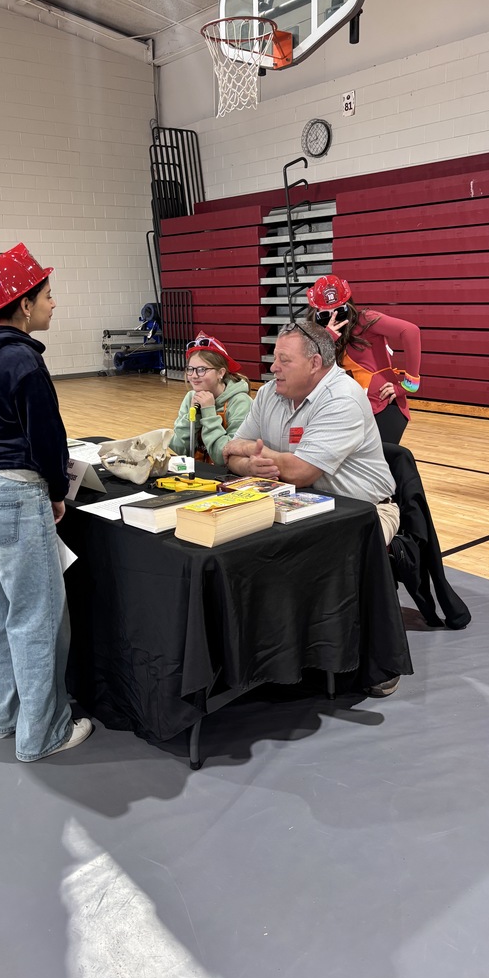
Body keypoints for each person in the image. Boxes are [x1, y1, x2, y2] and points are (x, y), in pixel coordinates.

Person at [0, 243, 92, 761]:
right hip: (12, 494)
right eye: (48, 296)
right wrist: (56, 492)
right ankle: (44, 733)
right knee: (36, 616)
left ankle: (4, 716)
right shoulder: (23, 363)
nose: (54, 305)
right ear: (24, 305)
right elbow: (47, 441)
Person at [223, 321, 402, 697]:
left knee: (321, 559)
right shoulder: (271, 392)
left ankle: (374, 657)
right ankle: (271, 654)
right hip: (297, 502)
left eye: (283, 360)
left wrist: (259, 456)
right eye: (275, 359)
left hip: (364, 512)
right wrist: (251, 464)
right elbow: (230, 452)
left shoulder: (342, 397)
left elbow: (302, 472)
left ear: (315, 363)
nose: (272, 368)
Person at [307, 275, 422, 444]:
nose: (334, 318)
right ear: (315, 314)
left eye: (340, 311)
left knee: (379, 464)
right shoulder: (315, 335)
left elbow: (411, 331)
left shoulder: (365, 319)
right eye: (325, 315)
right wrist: (327, 340)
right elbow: (308, 373)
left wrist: (409, 385)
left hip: (381, 406)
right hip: (347, 410)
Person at [170, 332, 252, 464]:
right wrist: (192, 417)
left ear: (221, 372)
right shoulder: (191, 397)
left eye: (202, 369)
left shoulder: (241, 402)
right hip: (199, 472)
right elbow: (179, 448)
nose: (194, 375)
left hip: (227, 476)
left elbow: (225, 457)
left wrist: (208, 412)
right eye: (190, 369)